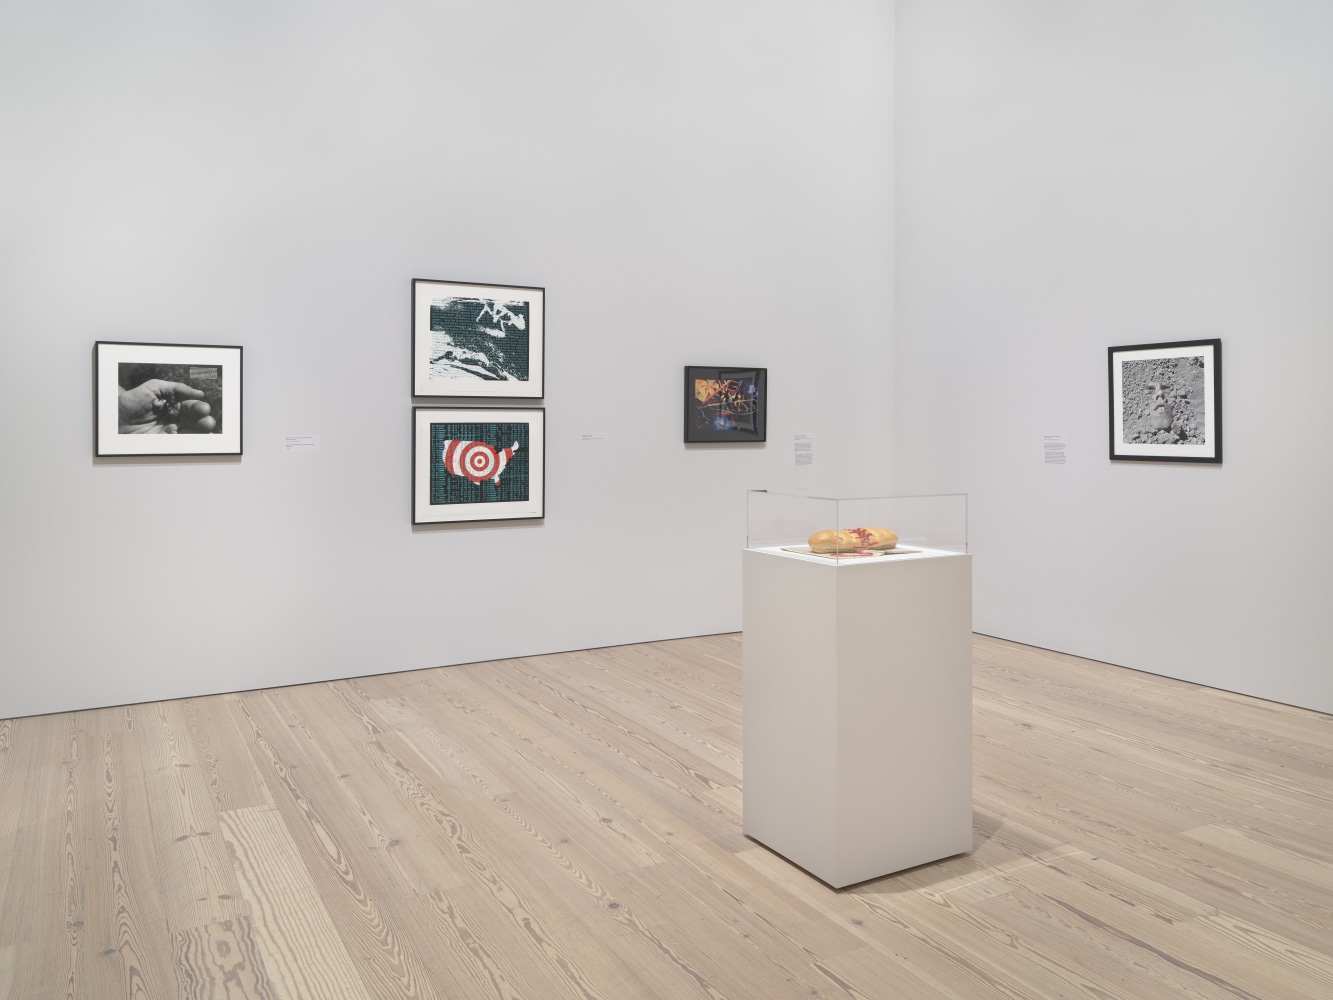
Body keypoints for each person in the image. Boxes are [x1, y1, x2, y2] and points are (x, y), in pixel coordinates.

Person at [118, 379, 217, 434]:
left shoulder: (170, 402)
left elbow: (171, 402)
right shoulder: (166, 401)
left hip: (169, 413)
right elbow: (169, 401)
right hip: (167, 413)